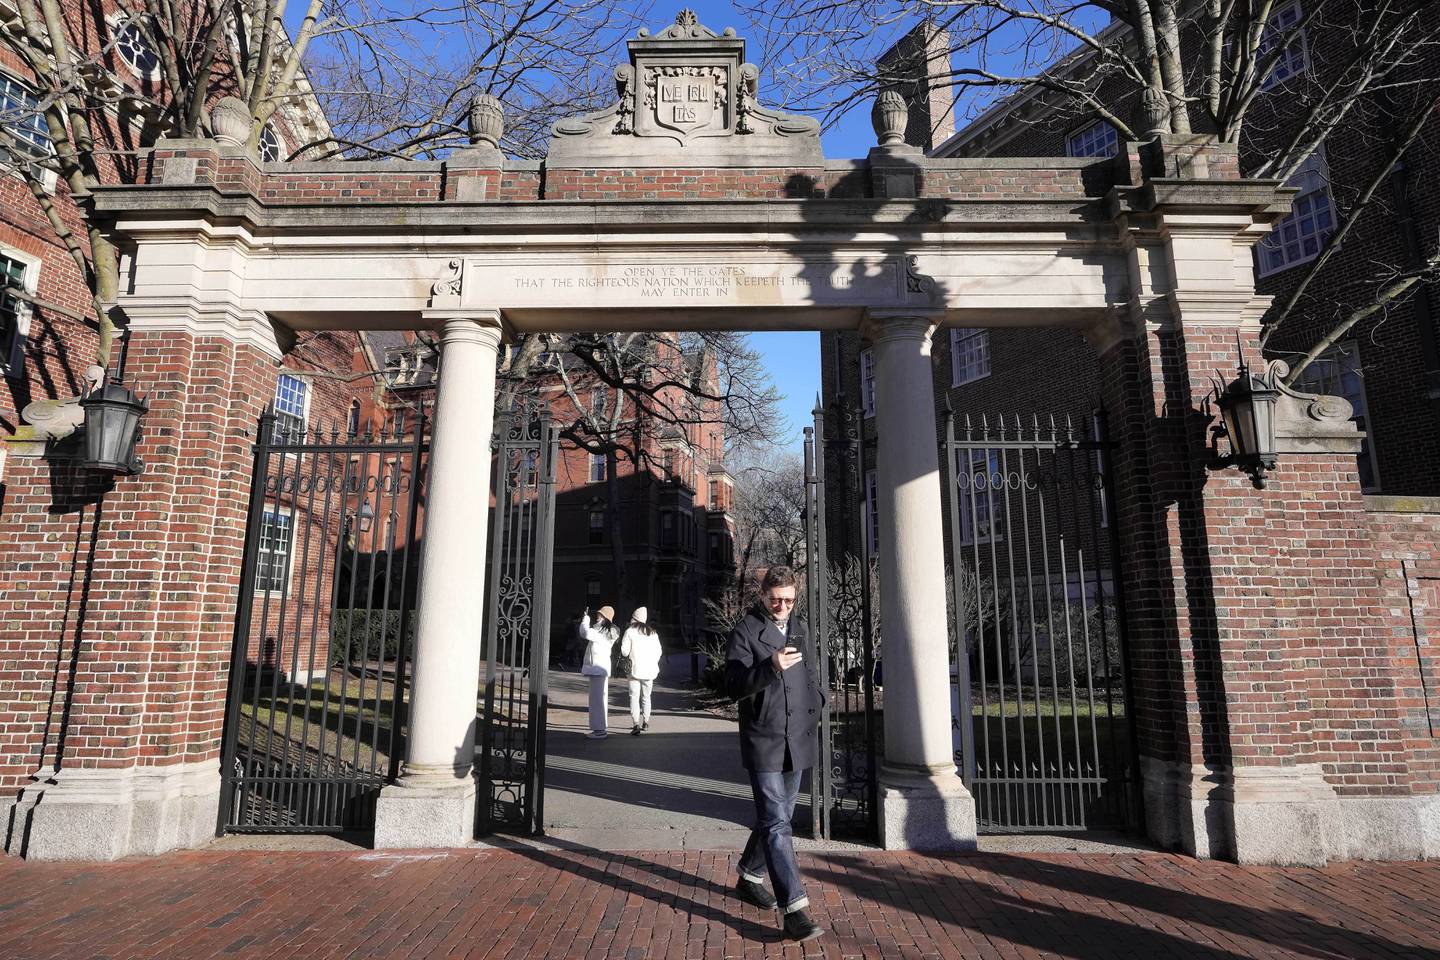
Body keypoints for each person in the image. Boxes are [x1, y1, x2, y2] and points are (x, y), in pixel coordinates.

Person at [725, 566, 826, 943]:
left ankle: (750, 876)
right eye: (775, 600)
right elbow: (734, 684)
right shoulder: (746, 632)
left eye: (789, 600)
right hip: (764, 740)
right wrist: (770, 666)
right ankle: (795, 909)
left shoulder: (800, 628)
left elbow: (812, 674)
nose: (782, 606)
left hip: (796, 737)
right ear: (762, 595)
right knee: (777, 823)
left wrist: (817, 702)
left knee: (777, 817)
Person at [620, 607, 662, 735]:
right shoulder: (653, 633)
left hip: (634, 670)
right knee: (646, 697)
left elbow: (624, 651)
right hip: (649, 670)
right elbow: (659, 652)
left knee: (634, 697)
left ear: (634, 619)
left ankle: (635, 724)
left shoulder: (629, 632)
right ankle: (646, 721)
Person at [580, 605, 618, 739]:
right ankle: (600, 729)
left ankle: (600, 730)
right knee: (599, 700)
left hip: (598, 668)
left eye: (600, 614)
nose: (597, 616)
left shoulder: (601, 632)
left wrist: (585, 618)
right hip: (601, 668)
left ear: (605, 617)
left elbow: (584, 632)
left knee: (597, 701)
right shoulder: (608, 631)